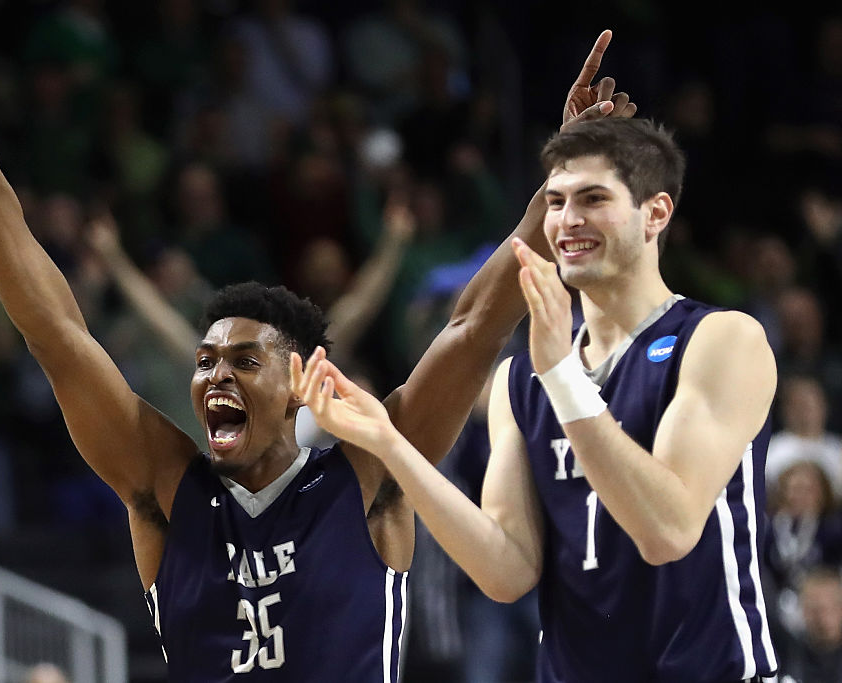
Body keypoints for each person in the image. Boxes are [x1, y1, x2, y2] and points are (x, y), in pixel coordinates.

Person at [0, 28, 626, 682]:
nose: (215, 374)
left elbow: (473, 327)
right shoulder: (167, 487)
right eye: (205, 362)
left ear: (297, 381)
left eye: (243, 361)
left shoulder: (369, 470)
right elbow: (58, 335)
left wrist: (561, 180)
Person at [293, 115, 780, 681]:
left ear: (656, 213)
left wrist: (562, 377)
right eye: (555, 202)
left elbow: (667, 531)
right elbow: (507, 571)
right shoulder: (520, 382)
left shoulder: (720, 339)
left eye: (593, 198)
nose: (569, 220)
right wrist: (389, 443)